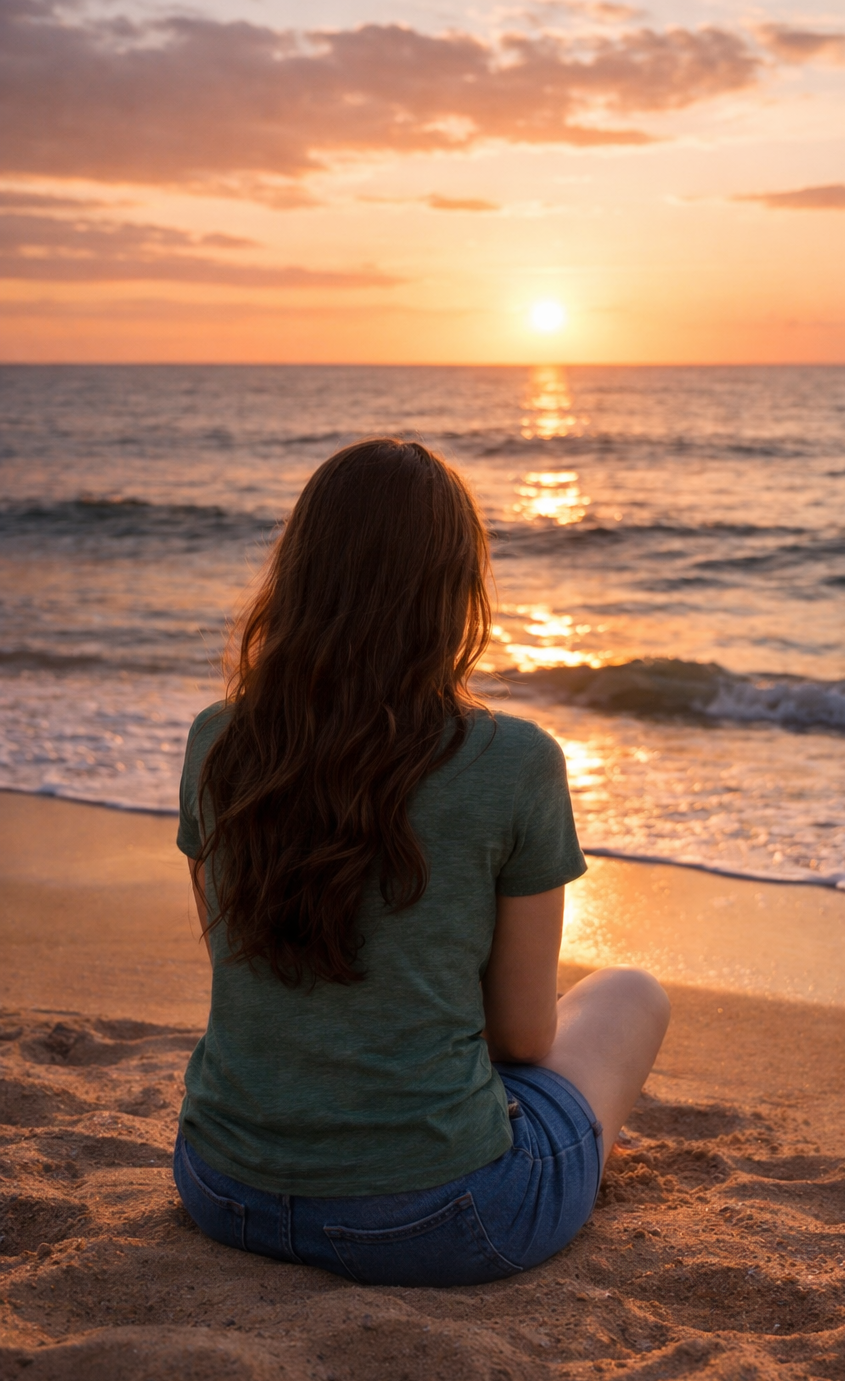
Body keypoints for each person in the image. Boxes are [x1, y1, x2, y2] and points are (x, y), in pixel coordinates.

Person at [173, 438, 669, 1286]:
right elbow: (522, 1036)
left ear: (297, 572)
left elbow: (236, 955)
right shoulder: (515, 760)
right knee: (630, 995)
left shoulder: (219, 739)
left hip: (225, 1189)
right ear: (456, 590)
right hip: (436, 1217)